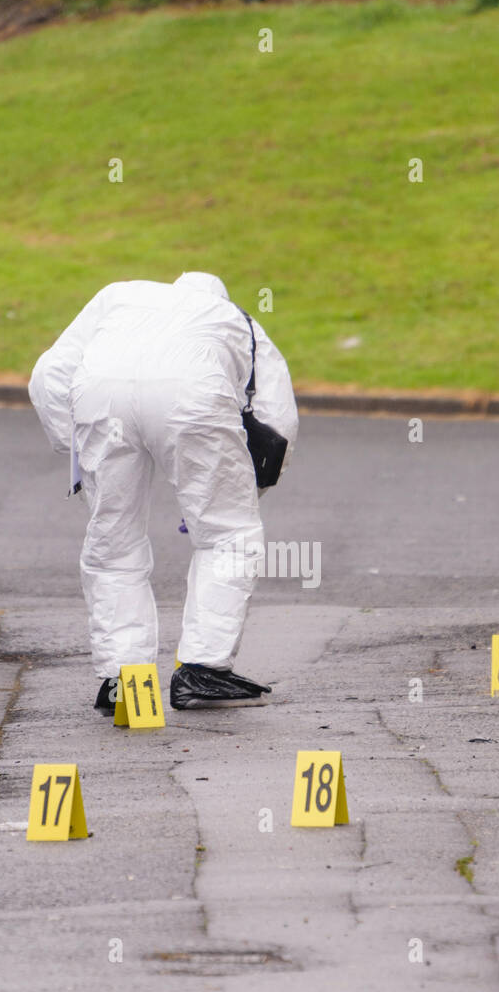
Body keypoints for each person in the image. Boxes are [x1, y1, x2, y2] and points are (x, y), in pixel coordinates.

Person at [28, 272, 298, 712]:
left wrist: (76, 450)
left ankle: (125, 681)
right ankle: (202, 670)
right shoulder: (239, 321)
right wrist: (248, 490)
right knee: (228, 535)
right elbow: (277, 418)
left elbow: (48, 376)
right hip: (193, 397)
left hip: (103, 396)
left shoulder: (117, 295)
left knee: (113, 542)